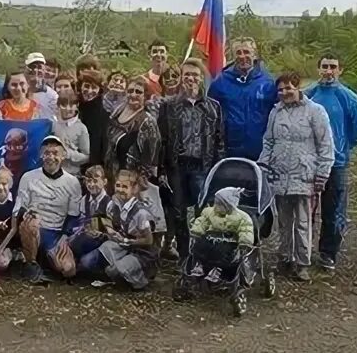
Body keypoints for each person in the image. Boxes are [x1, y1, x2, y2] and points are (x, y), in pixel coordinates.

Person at [258, 72, 335, 282]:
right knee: (284, 221)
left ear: (298, 87)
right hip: (279, 175)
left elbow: (326, 145)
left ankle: (302, 263)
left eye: (288, 88)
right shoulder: (276, 112)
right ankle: (285, 257)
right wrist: (262, 166)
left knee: (303, 221)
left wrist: (322, 174)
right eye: (281, 90)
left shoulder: (315, 112)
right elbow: (269, 141)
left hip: (304, 176)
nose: (284, 93)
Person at [304, 52, 357, 271]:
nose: (328, 71)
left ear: (340, 70)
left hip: (337, 164)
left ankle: (328, 253)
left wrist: (341, 148)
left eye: (333, 67)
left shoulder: (348, 98)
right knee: (306, 210)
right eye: (324, 66)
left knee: (333, 210)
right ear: (318, 68)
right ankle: (302, 250)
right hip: (309, 162)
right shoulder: (309, 94)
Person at [157, 58, 225, 262]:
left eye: (195, 75)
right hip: (176, 166)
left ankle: (202, 254)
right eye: (186, 74)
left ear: (201, 78)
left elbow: (219, 140)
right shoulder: (168, 106)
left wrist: (218, 169)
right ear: (181, 78)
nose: (190, 79)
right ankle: (185, 255)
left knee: (203, 213)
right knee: (178, 213)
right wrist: (161, 169)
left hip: (202, 167)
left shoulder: (214, 107)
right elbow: (163, 139)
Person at [14, 136, 82, 282]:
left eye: (55, 153)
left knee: (68, 269)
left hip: (56, 233)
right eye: (47, 153)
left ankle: (47, 260)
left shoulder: (73, 182)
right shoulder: (28, 177)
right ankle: (30, 264)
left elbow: (74, 215)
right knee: (32, 224)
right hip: (35, 229)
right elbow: (19, 208)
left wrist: (65, 237)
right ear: (41, 155)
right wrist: (27, 214)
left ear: (63, 156)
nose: (51, 157)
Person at [208, 37, 277, 160]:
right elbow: (210, 117)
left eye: (246, 52)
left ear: (254, 54)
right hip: (229, 152)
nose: (242, 56)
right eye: (238, 52)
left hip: (260, 151)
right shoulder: (220, 83)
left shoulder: (268, 83)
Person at [91, 167, 157, 290]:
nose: (120, 190)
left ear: (134, 188)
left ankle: (140, 278)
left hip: (141, 252)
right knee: (103, 253)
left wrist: (128, 241)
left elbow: (148, 241)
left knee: (115, 270)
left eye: (125, 187)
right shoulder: (114, 203)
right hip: (123, 244)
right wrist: (109, 229)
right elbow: (106, 218)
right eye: (118, 185)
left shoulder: (141, 213)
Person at [189, 187, 255, 283]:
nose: (216, 206)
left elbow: (245, 230)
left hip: (229, 243)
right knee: (199, 246)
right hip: (210, 239)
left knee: (225, 253)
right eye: (215, 203)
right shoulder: (209, 212)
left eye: (220, 204)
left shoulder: (242, 217)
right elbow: (202, 222)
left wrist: (245, 242)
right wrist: (196, 231)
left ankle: (218, 270)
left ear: (229, 205)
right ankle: (199, 265)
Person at [104, 76, 161, 186]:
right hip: (111, 177)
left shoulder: (147, 122)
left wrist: (139, 183)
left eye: (138, 92)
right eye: (130, 91)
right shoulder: (116, 113)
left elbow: (151, 160)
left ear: (145, 96)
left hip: (132, 182)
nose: (133, 94)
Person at [69, 165, 112, 275]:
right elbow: (82, 220)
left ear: (104, 181)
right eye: (88, 181)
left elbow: (113, 229)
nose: (91, 185)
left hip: (103, 241)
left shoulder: (110, 203)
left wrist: (101, 233)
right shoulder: (84, 200)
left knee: (86, 262)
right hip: (87, 237)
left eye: (95, 181)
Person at [52, 91, 90, 176]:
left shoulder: (81, 128)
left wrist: (68, 154)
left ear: (77, 106)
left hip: (72, 173)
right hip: (53, 172)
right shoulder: (53, 124)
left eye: (72, 105)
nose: (68, 108)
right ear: (58, 106)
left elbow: (87, 156)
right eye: (64, 105)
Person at [77, 72, 109, 172]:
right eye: (86, 86)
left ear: (99, 90)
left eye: (94, 87)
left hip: (91, 166)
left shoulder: (103, 114)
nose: (89, 91)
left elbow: (102, 145)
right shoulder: (74, 107)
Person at [25, 52, 58, 119]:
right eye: (32, 67)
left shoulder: (52, 96)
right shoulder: (18, 91)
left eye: (40, 67)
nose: (36, 70)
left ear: (44, 71)